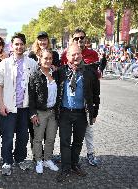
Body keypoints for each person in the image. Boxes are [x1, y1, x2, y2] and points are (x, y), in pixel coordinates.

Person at [56, 42, 100, 182]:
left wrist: (94, 113)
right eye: (73, 54)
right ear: (67, 56)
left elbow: (96, 94)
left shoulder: (90, 72)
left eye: (78, 54)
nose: (76, 57)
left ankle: (74, 164)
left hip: (82, 113)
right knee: (64, 141)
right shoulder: (60, 72)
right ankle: (65, 167)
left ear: (82, 55)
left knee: (78, 142)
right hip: (64, 113)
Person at [0, 33, 37, 176]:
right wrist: (1, 105)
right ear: (11, 46)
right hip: (8, 107)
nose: (19, 47)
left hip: (24, 108)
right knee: (7, 137)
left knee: (23, 136)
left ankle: (20, 159)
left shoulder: (32, 63)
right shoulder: (4, 63)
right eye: (16, 44)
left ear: (24, 45)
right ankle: (7, 161)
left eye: (21, 44)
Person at [28, 31, 61, 162]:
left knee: (50, 137)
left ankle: (47, 158)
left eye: (45, 39)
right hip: (39, 107)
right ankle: (38, 159)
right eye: (40, 39)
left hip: (52, 110)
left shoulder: (55, 56)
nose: (42, 42)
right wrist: (33, 113)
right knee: (37, 136)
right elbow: (31, 95)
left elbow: (59, 73)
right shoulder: (31, 56)